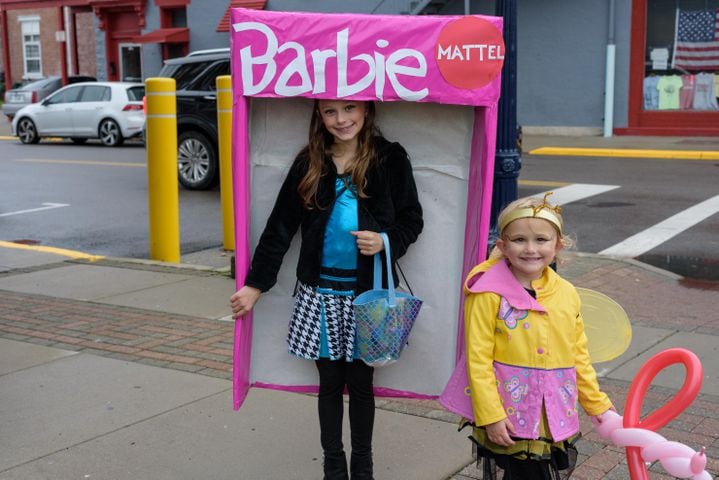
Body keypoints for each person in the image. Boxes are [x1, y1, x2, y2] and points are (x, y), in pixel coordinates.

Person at [230, 99, 423, 480]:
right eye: (330, 111)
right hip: (320, 295)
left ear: (367, 110)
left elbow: (412, 220)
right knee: (330, 383)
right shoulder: (309, 163)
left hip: (367, 297)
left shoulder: (389, 159)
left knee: (362, 384)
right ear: (318, 115)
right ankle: (333, 467)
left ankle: (363, 467)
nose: (341, 119)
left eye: (349, 108)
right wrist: (255, 285)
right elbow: (279, 228)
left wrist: (385, 240)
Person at [462, 194, 613, 479]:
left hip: (551, 413)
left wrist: (596, 403)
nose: (530, 249)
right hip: (509, 413)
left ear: (558, 245)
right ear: (502, 246)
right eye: (519, 240)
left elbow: (577, 353)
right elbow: (477, 357)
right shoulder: (487, 293)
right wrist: (491, 414)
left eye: (541, 240)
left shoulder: (566, 293)